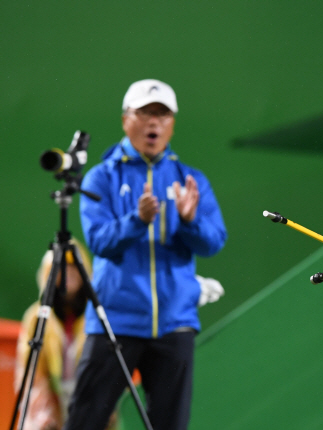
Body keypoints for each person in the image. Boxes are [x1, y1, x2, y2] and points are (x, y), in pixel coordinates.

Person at [63, 79, 227, 430]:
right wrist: (137, 220)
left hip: (174, 324)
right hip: (114, 322)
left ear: (172, 124)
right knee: (83, 422)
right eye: (145, 113)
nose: (154, 123)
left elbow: (213, 242)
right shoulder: (100, 178)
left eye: (162, 115)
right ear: (126, 120)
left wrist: (188, 220)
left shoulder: (190, 179)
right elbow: (99, 242)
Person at [15, 239, 117, 430]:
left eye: (73, 268)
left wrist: (104, 400)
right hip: (52, 405)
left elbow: (114, 364)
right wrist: (41, 409)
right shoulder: (36, 318)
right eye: (61, 268)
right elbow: (29, 372)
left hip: (91, 403)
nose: (67, 275)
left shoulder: (99, 315)